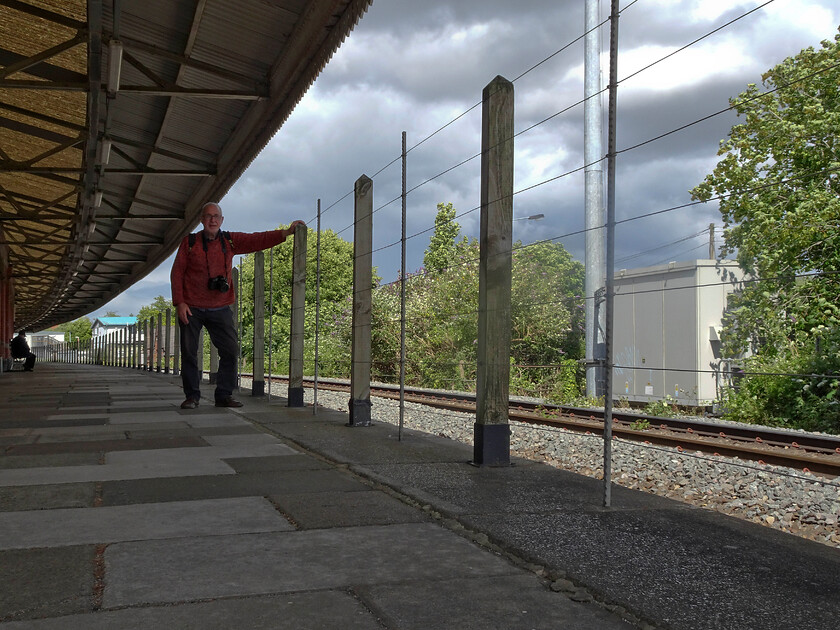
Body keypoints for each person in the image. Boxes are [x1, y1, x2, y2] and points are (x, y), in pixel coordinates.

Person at [171, 202, 304, 409]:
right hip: (192, 307)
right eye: (208, 216)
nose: (212, 220)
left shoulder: (230, 241)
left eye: (216, 216)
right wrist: (179, 302)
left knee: (231, 350)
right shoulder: (189, 243)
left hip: (220, 307)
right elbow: (177, 272)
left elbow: (256, 239)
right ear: (201, 220)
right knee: (189, 353)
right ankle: (192, 397)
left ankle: (223, 395)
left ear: (222, 220)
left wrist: (285, 232)